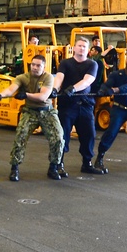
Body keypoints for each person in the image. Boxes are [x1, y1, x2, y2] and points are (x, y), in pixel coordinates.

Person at [0, 54, 65, 181]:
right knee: (20, 135)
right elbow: (10, 90)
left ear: (44, 66)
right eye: (33, 65)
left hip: (47, 111)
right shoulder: (22, 77)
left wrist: (26, 95)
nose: (35, 67)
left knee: (58, 137)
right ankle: (14, 168)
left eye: (38, 65)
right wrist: (0, 94)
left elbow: (43, 97)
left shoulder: (48, 77)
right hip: (30, 111)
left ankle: (53, 167)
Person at [53, 37, 101, 174]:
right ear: (74, 48)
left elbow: (87, 81)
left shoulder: (92, 64)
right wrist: (55, 89)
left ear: (88, 50)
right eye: (79, 46)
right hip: (67, 105)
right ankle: (58, 164)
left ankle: (87, 164)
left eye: (84, 47)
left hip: (85, 105)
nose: (81, 48)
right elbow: (59, 78)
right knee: (63, 136)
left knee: (89, 135)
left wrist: (73, 88)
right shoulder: (65, 63)